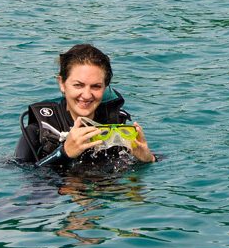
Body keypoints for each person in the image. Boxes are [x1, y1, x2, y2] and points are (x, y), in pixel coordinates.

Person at [14, 44, 155, 168]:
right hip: (57, 194)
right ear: (62, 84)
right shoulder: (36, 132)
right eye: (78, 85)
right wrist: (64, 153)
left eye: (96, 86)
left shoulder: (116, 125)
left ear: (105, 87)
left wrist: (147, 159)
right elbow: (22, 179)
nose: (87, 95)